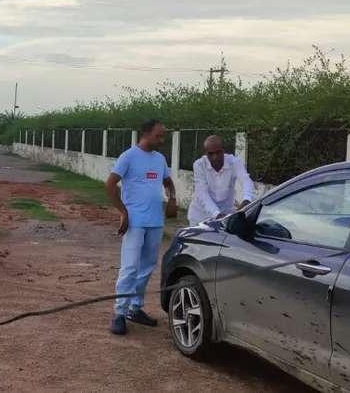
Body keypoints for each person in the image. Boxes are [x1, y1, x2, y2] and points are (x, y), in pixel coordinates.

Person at [105, 119, 176, 335]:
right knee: (130, 267)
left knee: (147, 266)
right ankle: (119, 313)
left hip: (155, 221)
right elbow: (110, 184)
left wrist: (172, 199)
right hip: (135, 222)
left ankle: (135, 308)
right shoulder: (129, 157)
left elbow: (167, 182)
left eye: (163, 136)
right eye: (159, 135)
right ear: (146, 134)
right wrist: (123, 212)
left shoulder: (159, 159)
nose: (162, 140)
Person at [187, 135, 255, 226]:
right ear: (206, 153)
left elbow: (246, 180)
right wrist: (217, 214)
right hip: (200, 215)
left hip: (226, 213)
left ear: (223, 151)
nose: (215, 157)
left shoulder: (234, 162)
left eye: (218, 152)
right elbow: (202, 193)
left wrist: (247, 200)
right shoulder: (199, 165)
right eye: (210, 154)